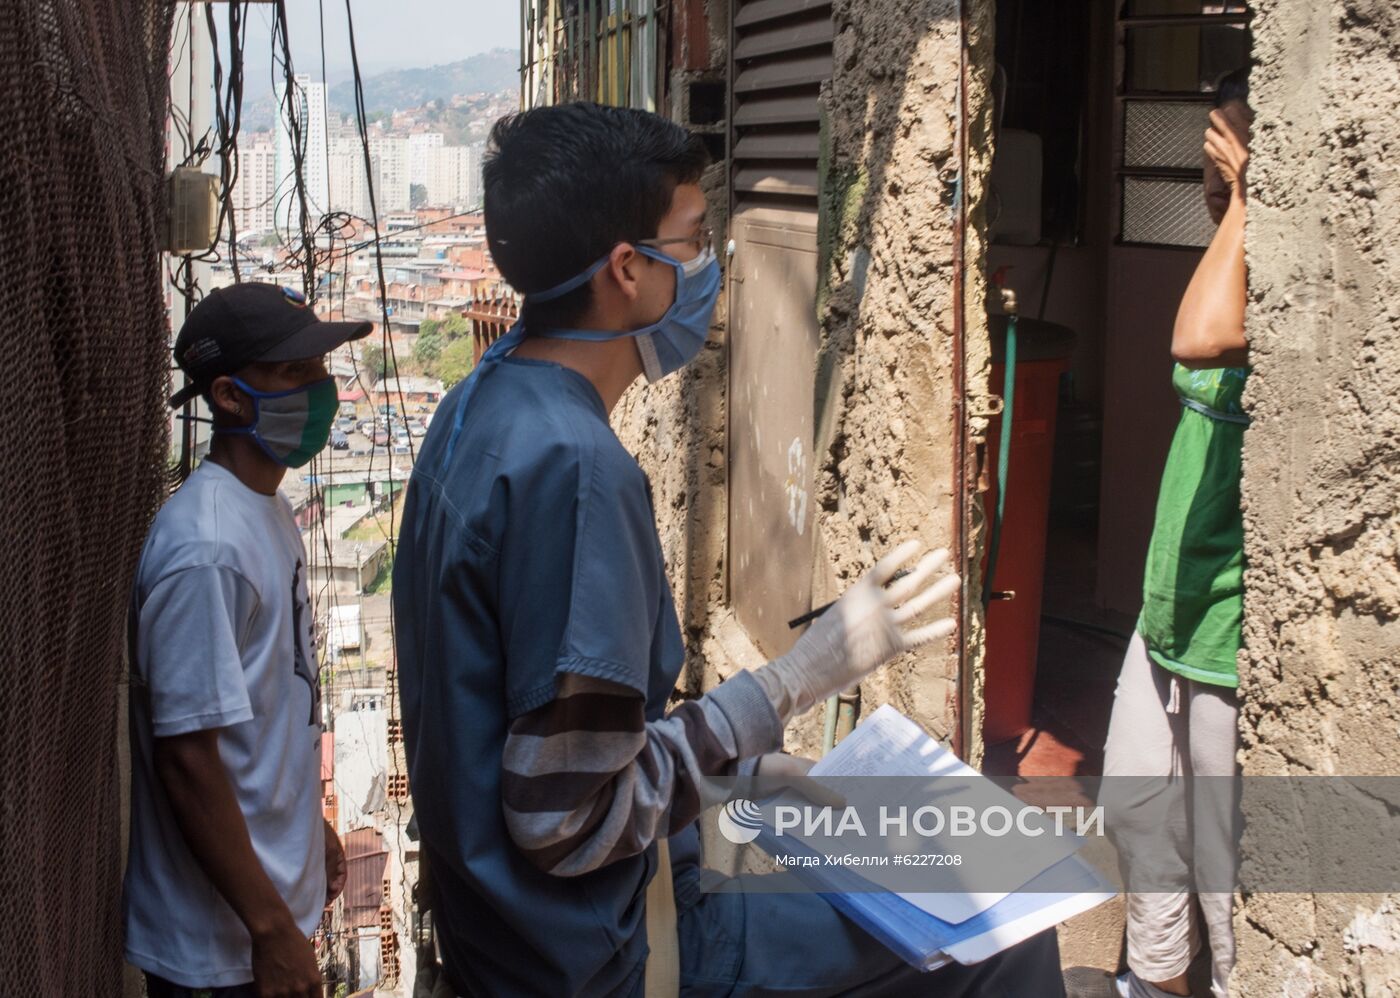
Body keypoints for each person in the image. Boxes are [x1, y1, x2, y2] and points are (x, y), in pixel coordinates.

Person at [393, 102, 1064, 997]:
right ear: (627, 270)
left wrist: (740, 769)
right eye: (696, 239)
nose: (713, 268)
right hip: (598, 959)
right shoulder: (578, 471)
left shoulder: (476, 406)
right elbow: (568, 823)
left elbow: (542, 736)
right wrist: (795, 681)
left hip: (503, 939)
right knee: (1005, 934)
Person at [125, 283, 365, 997]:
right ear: (229, 396)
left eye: (321, 368)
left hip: (257, 930)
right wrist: (269, 931)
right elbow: (190, 761)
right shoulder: (205, 547)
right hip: (219, 953)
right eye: (295, 374)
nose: (320, 391)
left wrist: (306, 826)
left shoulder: (267, 508)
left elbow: (268, 709)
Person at [1102, 68, 1253, 998]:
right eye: (1205, 160)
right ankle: (1153, 980)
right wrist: (1238, 204)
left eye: (1222, 158)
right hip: (1169, 611)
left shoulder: (1276, 280)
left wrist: (1252, 198)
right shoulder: (1228, 253)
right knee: (1137, 808)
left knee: (1227, 866)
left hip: (1229, 633)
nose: (1208, 179)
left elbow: (1195, 339)